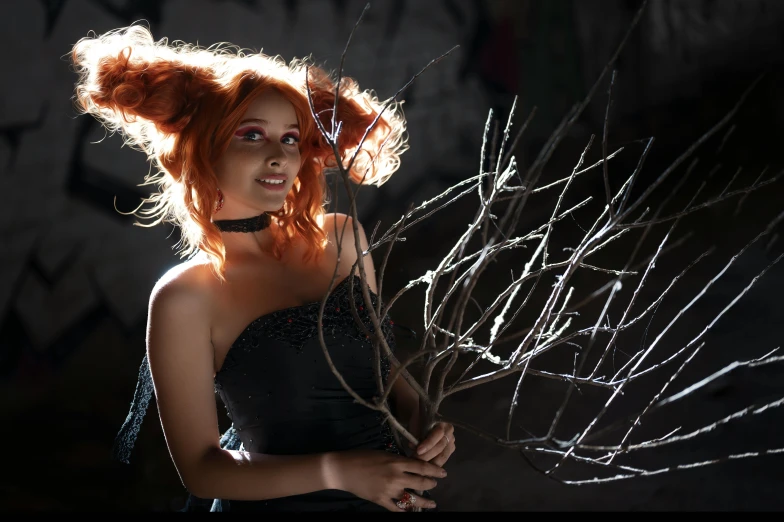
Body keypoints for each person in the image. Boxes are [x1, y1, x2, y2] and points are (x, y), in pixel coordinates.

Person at [70, 24, 456, 512]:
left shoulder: (342, 238)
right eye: (251, 135)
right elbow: (202, 470)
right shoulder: (187, 296)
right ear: (205, 147)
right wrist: (337, 471)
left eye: (291, 138)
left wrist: (424, 420)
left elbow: (382, 370)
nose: (280, 156)